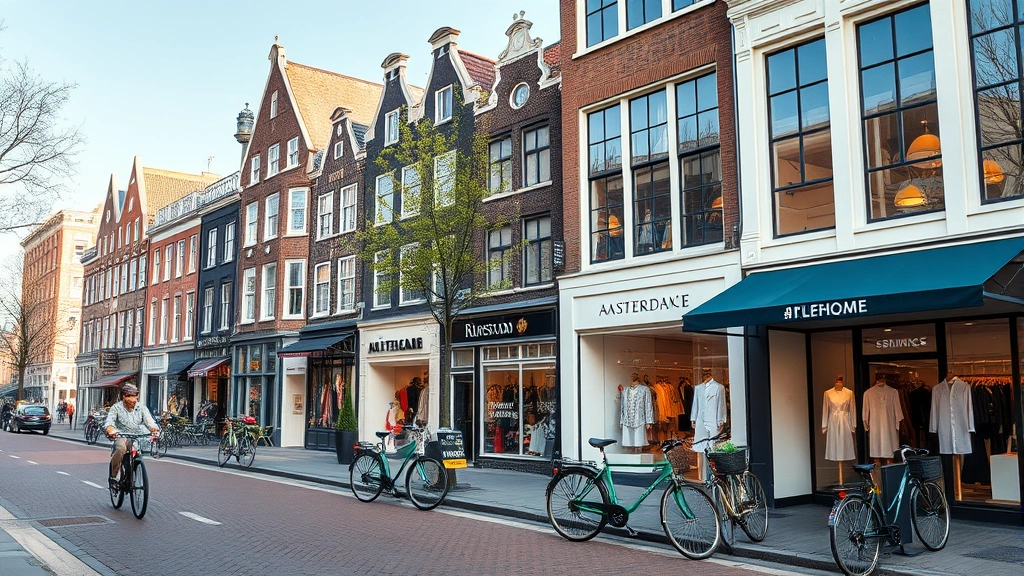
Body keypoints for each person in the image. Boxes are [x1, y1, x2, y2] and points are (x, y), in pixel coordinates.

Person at [105, 384, 159, 488]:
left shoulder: (141, 408)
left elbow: (149, 421)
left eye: (135, 396)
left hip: (136, 435)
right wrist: (111, 429)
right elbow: (110, 421)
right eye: (130, 396)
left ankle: (133, 471)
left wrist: (154, 430)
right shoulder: (116, 407)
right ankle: (114, 476)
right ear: (124, 397)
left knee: (137, 451)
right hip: (121, 435)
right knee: (120, 449)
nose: (133, 399)